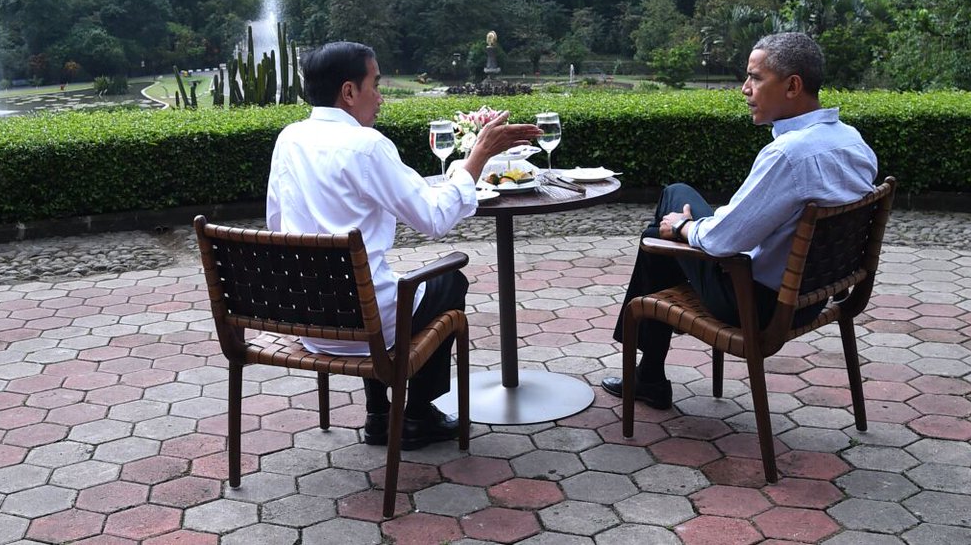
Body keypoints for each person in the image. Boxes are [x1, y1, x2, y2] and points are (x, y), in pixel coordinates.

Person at [266, 41, 541, 448]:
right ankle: (416, 414)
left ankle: (380, 415)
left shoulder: (289, 138)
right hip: (364, 325)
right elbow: (433, 218)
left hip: (308, 318)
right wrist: (478, 157)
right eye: (374, 84)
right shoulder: (367, 145)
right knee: (451, 282)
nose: (380, 97)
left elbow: (276, 222)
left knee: (375, 284)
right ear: (348, 92)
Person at [601, 32, 878, 410]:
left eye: (756, 78)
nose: (745, 89)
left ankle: (648, 373)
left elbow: (723, 243)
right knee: (678, 195)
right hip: (812, 296)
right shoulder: (852, 141)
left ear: (793, 85)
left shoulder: (788, 155)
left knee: (658, 234)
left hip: (754, 305)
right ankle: (648, 373)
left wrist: (683, 229)